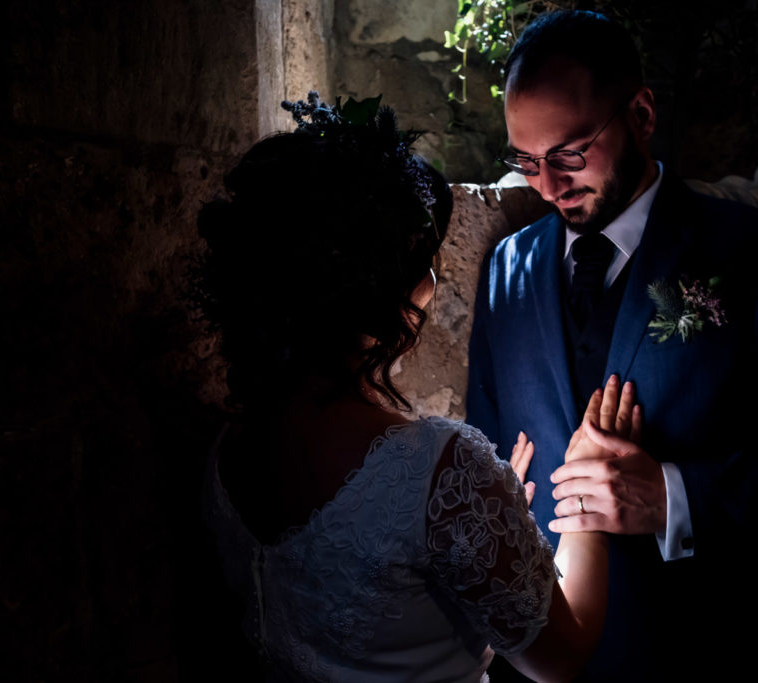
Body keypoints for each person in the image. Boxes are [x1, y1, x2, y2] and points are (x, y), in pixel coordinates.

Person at [465, 10, 758, 682]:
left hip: (709, 648)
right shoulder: (506, 267)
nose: (546, 184)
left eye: (569, 154)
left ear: (642, 115)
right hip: (537, 660)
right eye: (525, 160)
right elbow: (484, 459)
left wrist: (674, 496)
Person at [193, 91, 640, 682]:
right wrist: (584, 517)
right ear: (383, 293)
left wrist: (484, 534)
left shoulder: (229, 449)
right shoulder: (441, 469)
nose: (432, 281)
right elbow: (559, 656)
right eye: (424, 262)